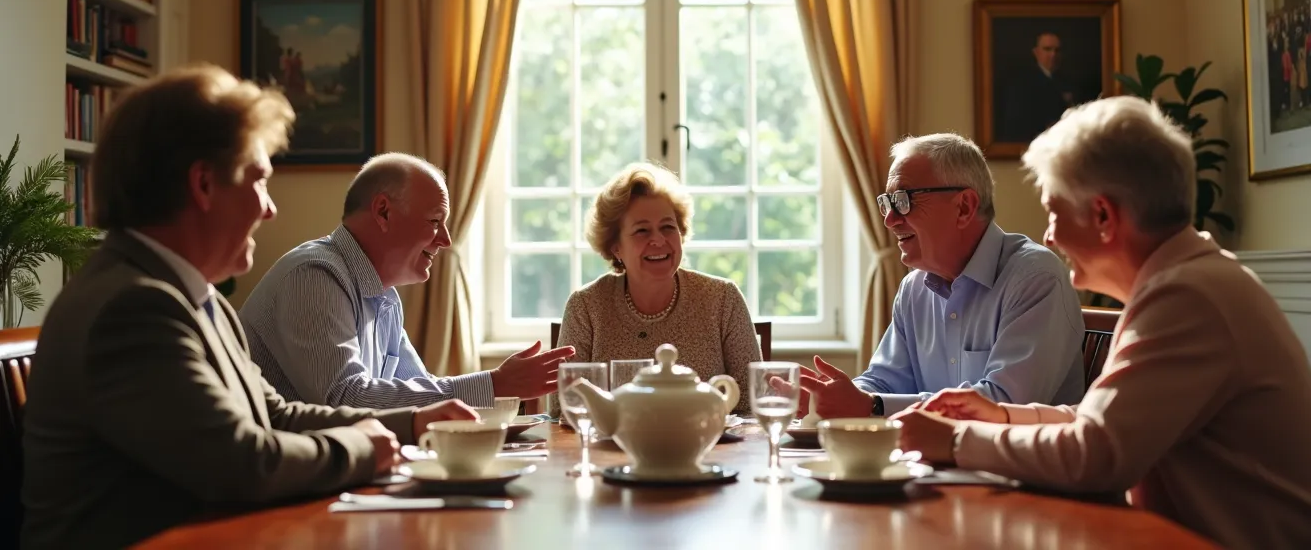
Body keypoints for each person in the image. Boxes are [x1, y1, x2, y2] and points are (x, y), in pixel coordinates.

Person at [20, 65, 476, 550]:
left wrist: (411, 423)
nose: (269, 208)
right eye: (259, 180)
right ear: (204, 185)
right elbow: (239, 464)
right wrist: (362, 447)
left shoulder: (194, 297)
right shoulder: (133, 309)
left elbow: (273, 415)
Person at [895, 98, 1311, 550]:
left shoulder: (1188, 296)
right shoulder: (1188, 281)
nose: (1049, 235)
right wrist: (1003, 414)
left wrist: (957, 440)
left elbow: (1096, 454)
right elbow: (1103, 421)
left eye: (1054, 211)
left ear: (1103, 216)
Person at [240, 153, 574, 410]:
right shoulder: (314, 276)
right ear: (383, 212)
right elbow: (345, 401)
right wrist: (495, 385)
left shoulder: (385, 297)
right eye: (434, 221)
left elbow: (420, 390)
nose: (445, 239)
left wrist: (500, 387)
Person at [797, 133, 1085, 420]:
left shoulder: (1035, 278)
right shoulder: (914, 288)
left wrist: (872, 405)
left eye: (903, 199)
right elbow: (883, 382)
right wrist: (836, 396)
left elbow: (1004, 406)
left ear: (964, 208)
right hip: (929, 460)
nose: (889, 219)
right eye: (887, 202)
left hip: (1012, 464)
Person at [555, 161, 761, 414]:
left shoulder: (722, 299)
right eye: (642, 231)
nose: (659, 240)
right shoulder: (586, 306)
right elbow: (563, 406)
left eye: (667, 227)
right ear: (615, 247)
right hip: (612, 451)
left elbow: (752, 401)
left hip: (706, 447)